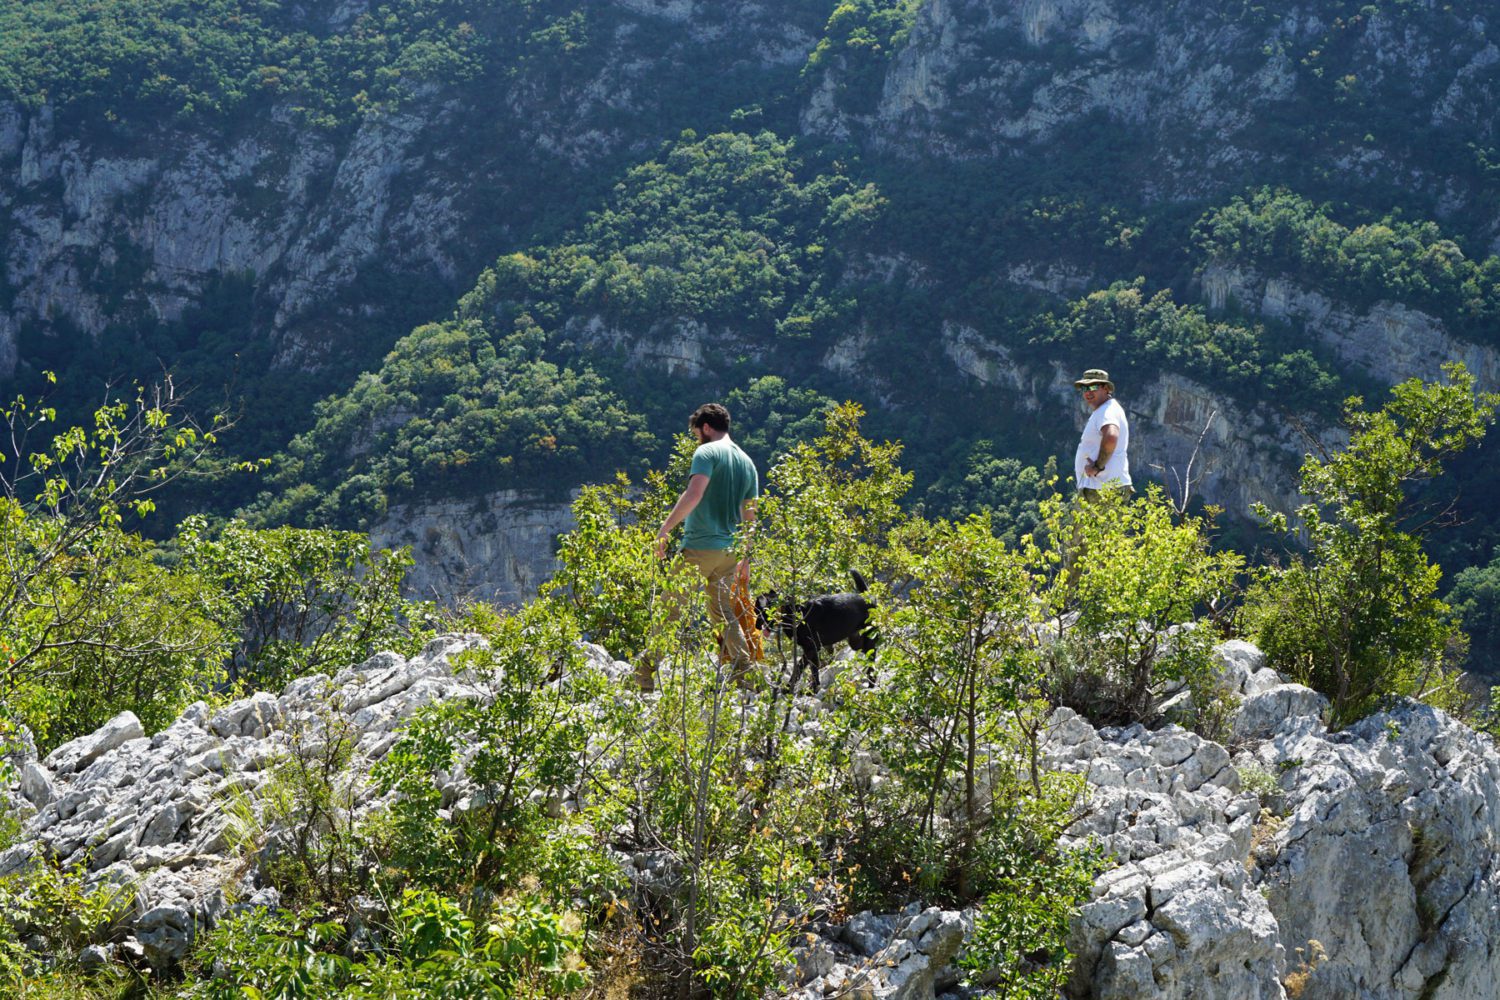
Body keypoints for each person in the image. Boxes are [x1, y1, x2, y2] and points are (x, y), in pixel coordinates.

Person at [649, 402, 759, 691]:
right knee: (724, 614)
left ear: (706, 427)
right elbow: (751, 517)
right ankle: (745, 676)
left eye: (697, 431)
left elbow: (694, 493)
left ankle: (644, 678)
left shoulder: (706, 452)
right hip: (730, 553)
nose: (697, 437)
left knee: (669, 610)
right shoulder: (747, 462)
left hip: (699, 546)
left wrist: (665, 530)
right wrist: (746, 557)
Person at [1073, 368, 1132, 500]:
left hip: (1102, 489)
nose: (1088, 392)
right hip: (1104, 487)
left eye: (1093, 386)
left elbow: (1111, 437)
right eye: (1084, 388)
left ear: (1106, 388)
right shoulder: (1106, 409)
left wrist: (1097, 467)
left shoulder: (1107, 411)